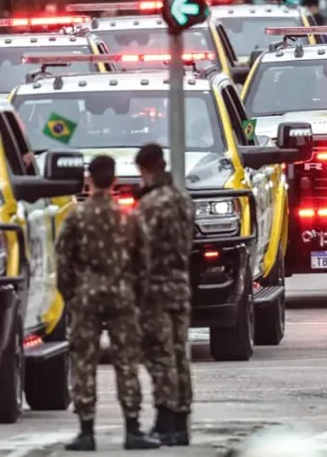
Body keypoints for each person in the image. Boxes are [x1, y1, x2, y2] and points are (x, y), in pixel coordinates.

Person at [56, 155, 160, 452]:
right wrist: (137, 295)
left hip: (86, 297)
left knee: (84, 363)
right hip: (122, 297)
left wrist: (71, 295)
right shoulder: (129, 217)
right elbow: (144, 263)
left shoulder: (77, 217)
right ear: (114, 180)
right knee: (126, 362)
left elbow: (63, 262)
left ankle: (86, 431)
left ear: (89, 180)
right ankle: (132, 428)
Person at [134, 143, 195, 446]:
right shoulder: (183, 199)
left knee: (160, 356)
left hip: (155, 290)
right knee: (180, 354)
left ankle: (165, 419)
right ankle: (182, 422)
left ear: (144, 169)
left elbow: (140, 250)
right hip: (180, 285)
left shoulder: (151, 205)